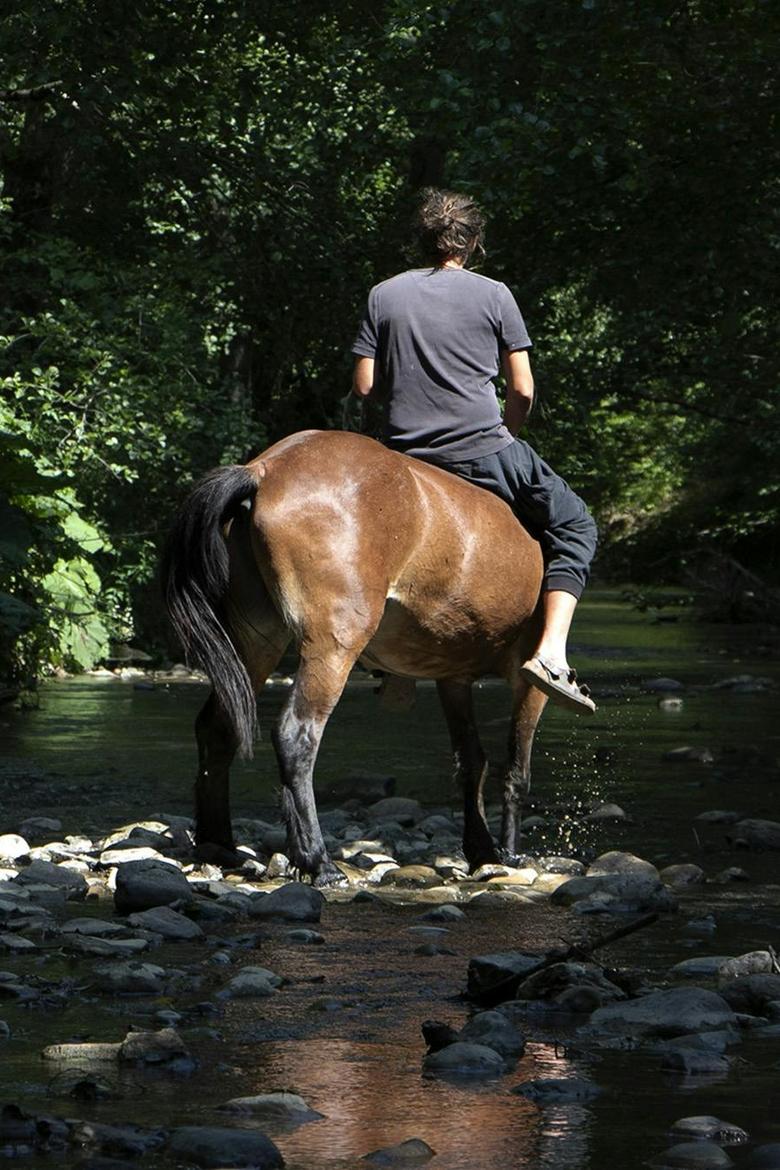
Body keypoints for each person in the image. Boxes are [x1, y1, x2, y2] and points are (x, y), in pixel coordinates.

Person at [351, 188, 597, 714]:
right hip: (480, 449)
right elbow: (523, 389)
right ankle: (551, 653)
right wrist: (506, 432)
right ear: (473, 243)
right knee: (576, 524)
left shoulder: (383, 294)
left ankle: (383, 662)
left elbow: (366, 385)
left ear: (421, 242)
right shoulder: (495, 294)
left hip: (403, 456)